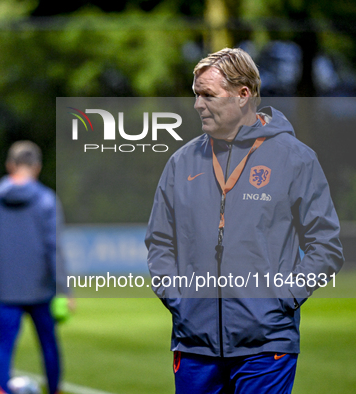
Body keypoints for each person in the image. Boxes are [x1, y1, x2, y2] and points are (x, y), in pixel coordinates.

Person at [145, 47, 344, 393]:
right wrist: (179, 299)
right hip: (194, 346)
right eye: (196, 95)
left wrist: (283, 298)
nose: (197, 104)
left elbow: (326, 246)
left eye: (208, 95)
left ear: (243, 95)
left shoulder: (296, 159)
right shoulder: (180, 163)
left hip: (267, 347)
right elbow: (160, 242)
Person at [0, 141, 70, 394]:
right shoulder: (47, 200)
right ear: (37, 167)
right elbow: (55, 249)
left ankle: (1, 390)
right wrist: (64, 290)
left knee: (4, 345)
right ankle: (54, 390)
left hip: (4, 289)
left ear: (10, 165)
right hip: (41, 288)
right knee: (49, 345)